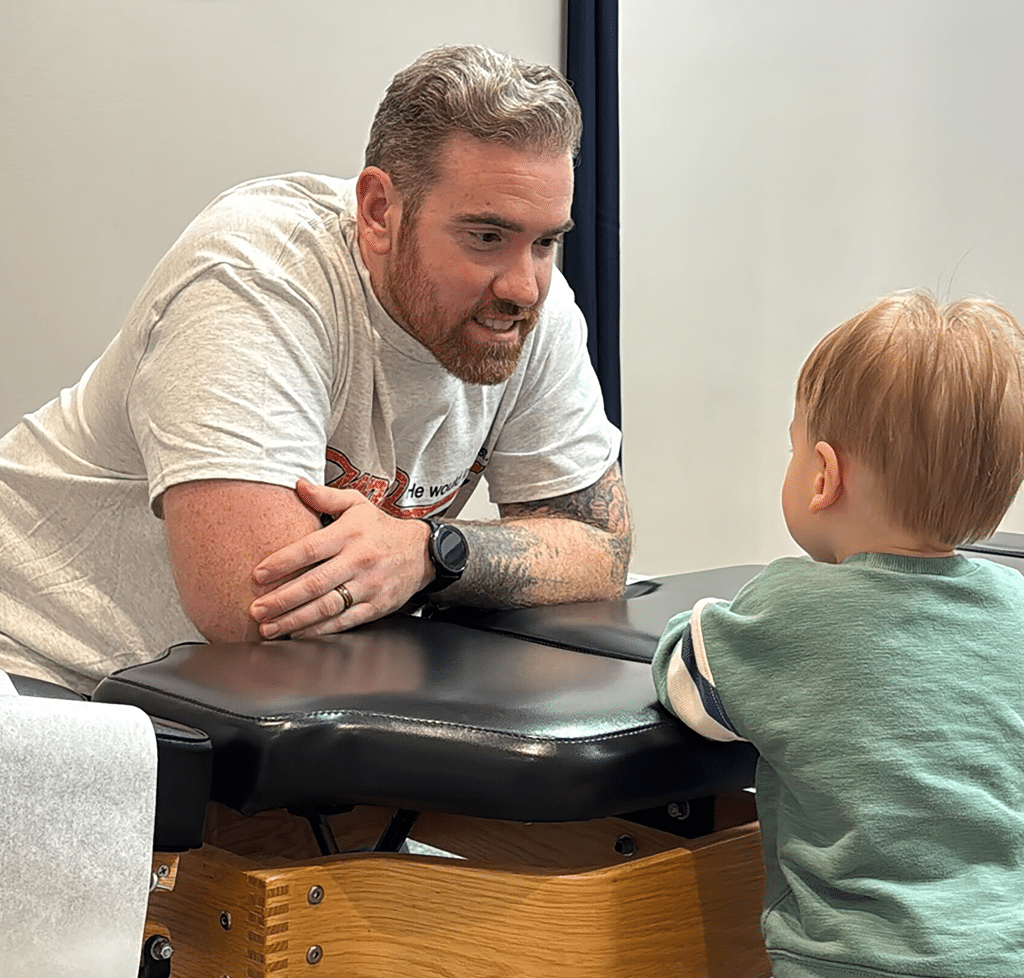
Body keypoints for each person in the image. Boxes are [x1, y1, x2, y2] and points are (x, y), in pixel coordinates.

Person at [0, 44, 631, 695]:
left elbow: (602, 548)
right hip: (42, 668)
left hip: (226, 698)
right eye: (486, 237)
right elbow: (259, 609)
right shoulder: (255, 276)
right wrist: (459, 560)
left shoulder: (531, 309)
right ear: (380, 211)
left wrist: (430, 552)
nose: (525, 286)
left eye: (546, 241)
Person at [653, 291, 1024, 978]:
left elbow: (686, 677)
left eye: (793, 448)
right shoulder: (1015, 608)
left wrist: (694, 627)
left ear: (823, 475)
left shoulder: (790, 605)